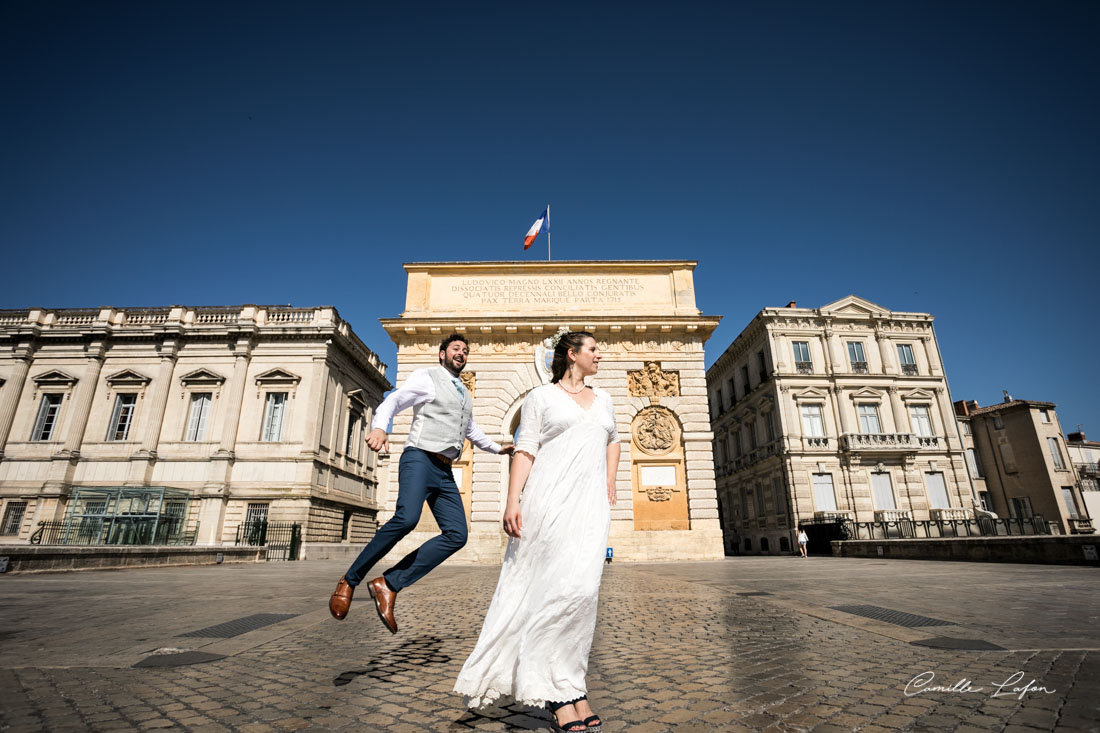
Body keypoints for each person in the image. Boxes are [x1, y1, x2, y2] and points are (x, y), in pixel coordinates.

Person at [454, 331, 620, 733]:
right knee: (555, 594)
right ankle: (561, 694)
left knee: (582, 596)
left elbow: (613, 439)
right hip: (548, 504)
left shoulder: (605, 399)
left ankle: (571, 681)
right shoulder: (540, 398)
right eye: (593, 349)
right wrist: (512, 501)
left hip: (589, 508)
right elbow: (525, 449)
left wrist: (610, 481)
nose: (600, 355)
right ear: (572, 355)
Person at [328, 333, 513, 632]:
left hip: (444, 470)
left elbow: (471, 430)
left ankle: (388, 583)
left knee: (457, 534)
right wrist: (379, 428)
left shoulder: (465, 395)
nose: (461, 354)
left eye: (465, 350)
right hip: (419, 458)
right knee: (407, 519)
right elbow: (395, 401)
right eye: (456, 349)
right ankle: (349, 581)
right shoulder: (426, 377)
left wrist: (498, 448)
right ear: (442, 354)